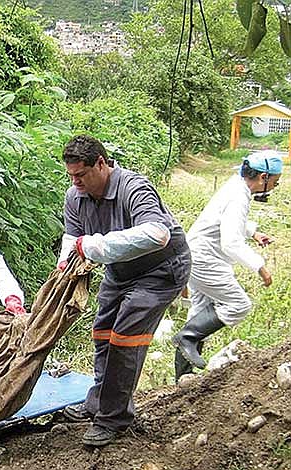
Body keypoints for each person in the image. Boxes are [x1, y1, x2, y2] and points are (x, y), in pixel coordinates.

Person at [58, 135, 191, 447]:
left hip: (161, 268)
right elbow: (72, 237)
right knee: (102, 332)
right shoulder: (74, 196)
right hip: (120, 271)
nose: (76, 182)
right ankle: (98, 404)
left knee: (125, 336)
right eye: (71, 176)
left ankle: (113, 418)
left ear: (102, 164)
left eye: (81, 175)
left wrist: (95, 245)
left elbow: (157, 234)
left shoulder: (134, 188)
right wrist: (64, 265)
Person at [172, 150, 282, 380]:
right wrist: (260, 266)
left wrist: (253, 232)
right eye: (275, 181)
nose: (274, 186)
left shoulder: (236, 187)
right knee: (238, 304)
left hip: (197, 254)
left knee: (199, 312)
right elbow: (231, 242)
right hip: (206, 259)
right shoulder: (238, 196)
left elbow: (225, 219)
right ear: (263, 177)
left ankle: (183, 378)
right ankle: (186, 337)